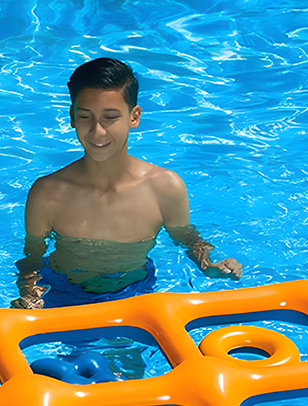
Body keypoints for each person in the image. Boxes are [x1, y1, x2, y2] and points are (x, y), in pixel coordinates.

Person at [12, 57, 242, 309]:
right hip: (64, 292)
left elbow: (187, 239)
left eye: (110, 117)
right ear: (72, 117)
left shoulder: (164, 187)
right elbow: (32, 259)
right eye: (85, 116)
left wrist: (209, 266)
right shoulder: (48, 194)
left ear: (134, 117)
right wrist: (30, 296)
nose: (97, 131)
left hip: (135, 291)